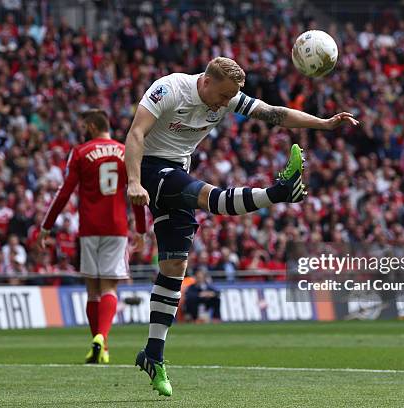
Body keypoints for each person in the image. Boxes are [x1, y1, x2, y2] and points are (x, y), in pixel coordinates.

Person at [125, 57, 359, 396]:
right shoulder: (169, 89)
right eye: (222, 97)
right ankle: (279, 191)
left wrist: (323, 124)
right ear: (205, 81)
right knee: (207, 197)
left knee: (175, 265)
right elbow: (135, 134)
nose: (225, 104)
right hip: (148, 167)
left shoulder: (228, 94)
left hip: (177, 168)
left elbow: (275, 113)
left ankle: (153, 355)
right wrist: (134, 181)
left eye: (229, 98)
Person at [37, 109, 146, 364]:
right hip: (116, 227)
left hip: (88, 228)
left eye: (83, 125)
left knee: (92, 290)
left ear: (93, 126)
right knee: (110, 286)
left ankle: (100, 344)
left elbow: (63, 193)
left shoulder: (80, 152)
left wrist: (46, 225)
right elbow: (136, 191)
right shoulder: (125, 150)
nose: (81, 129)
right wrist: (140, 229)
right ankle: (102, 338)